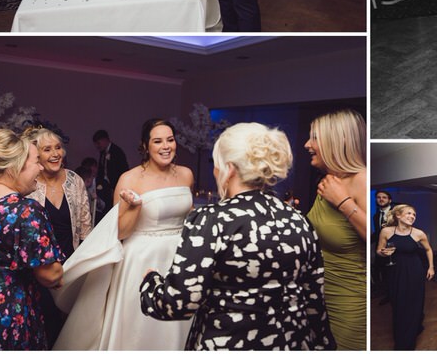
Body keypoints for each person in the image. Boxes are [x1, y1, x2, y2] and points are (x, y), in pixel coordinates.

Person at [139, 122, 334, 349]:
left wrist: (150, 283)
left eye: (217, 164)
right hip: (291, 342)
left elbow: (178, 303)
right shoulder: (298, 219)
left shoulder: (213, 220)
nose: (215, 170)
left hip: (228, 341)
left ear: (229, 169)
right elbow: (314, 302)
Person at [53, 119, 195, 350]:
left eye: (170, 140)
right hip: (141, 260)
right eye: (157, 141)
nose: (165, 146)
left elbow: (189, 220)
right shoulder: (130, 179)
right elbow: (121, 232)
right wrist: (135, 207)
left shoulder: (186, 175)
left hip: (178, 258)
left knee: (176, 323)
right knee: (140, 327)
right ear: (145, 146)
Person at [0, 129, 64, 350]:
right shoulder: (24, 209)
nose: (41, 167)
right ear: (15, 166)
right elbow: (49, 274)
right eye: (36, 161)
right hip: (5, 318)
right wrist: (57, 275)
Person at [22, 127, 92, 347]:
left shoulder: (75, 181)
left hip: (71, 261)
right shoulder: (28, 185)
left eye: (58, 148)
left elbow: (85, 226)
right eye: (47, 149)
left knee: (70, 321)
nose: (55, 154)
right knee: (46, 321)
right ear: (36, 155)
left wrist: (86, 263)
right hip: (40, 266)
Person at [305, 109, 367, 350]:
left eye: (315, 137)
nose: (307, 144)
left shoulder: (361, 179)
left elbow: (373, 237)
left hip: (350, 298)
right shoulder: (328, 180)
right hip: (320, 292)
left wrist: (343, 202)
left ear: (338, 140)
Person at [376, 204, 435, 350]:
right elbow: (378, 250)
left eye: (414, 215)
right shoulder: (386, 231)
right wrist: (382, 253)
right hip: (395, 271)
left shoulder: (419, 233)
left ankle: (407, 341)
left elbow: (428, 249)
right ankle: (403, 331)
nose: (412, 216)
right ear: (398, 215)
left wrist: (431, 267)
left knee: (414, 303)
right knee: (398, 303)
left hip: (415, 271)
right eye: (409, 213)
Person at [93, 128, 129, 216]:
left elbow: (123, 171)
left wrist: (116, 187)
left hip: (116, 186)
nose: (97, 146)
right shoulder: (102, 153)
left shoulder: (117, 151)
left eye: (98, 143)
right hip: (106, 187)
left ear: (105, 140)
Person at [372, 189, 395, 303]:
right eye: (378, 197)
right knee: (382, 272)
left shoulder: (395, 214)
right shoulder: (376, 216)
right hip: (380, 248)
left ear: (389, 200)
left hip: (393, 247)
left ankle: (396, 295)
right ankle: (388, 295)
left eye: (384, 197)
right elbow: (377, 233)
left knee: (394, 272)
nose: (381, 199)